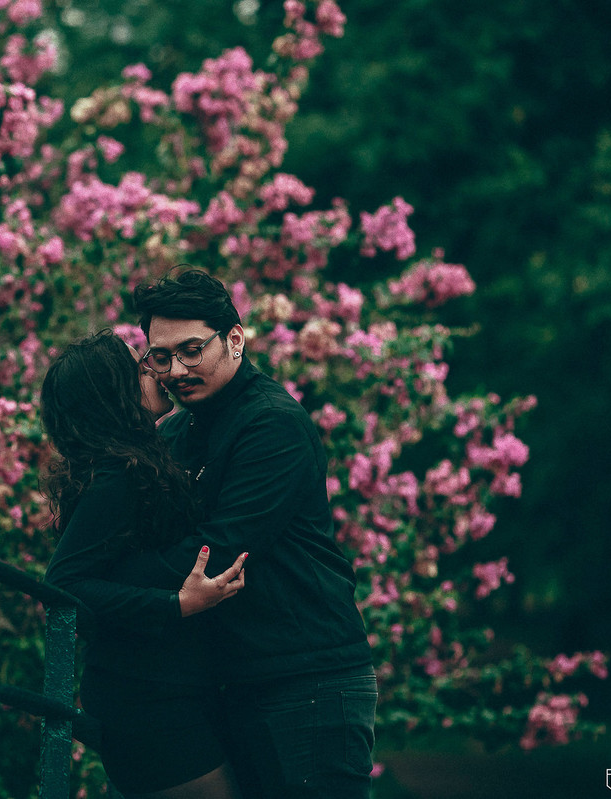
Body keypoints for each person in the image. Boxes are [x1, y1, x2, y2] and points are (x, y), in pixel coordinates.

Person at [125, 268, 377, 798]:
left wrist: (112, 582)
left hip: (305, 679)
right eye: (161, 357)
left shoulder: (272, 423)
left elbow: (219, 549)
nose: (176, 370)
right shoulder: (177, 431)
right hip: (227, 680)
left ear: (234, 339)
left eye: (192, 350)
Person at [41, 330, 249, 799]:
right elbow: (64, 585)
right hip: (144, 698)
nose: (158, 371)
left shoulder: (133, 464)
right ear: (114, 394)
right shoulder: (115, 476)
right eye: (140, 368)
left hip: (161, 689)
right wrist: (176, 604)